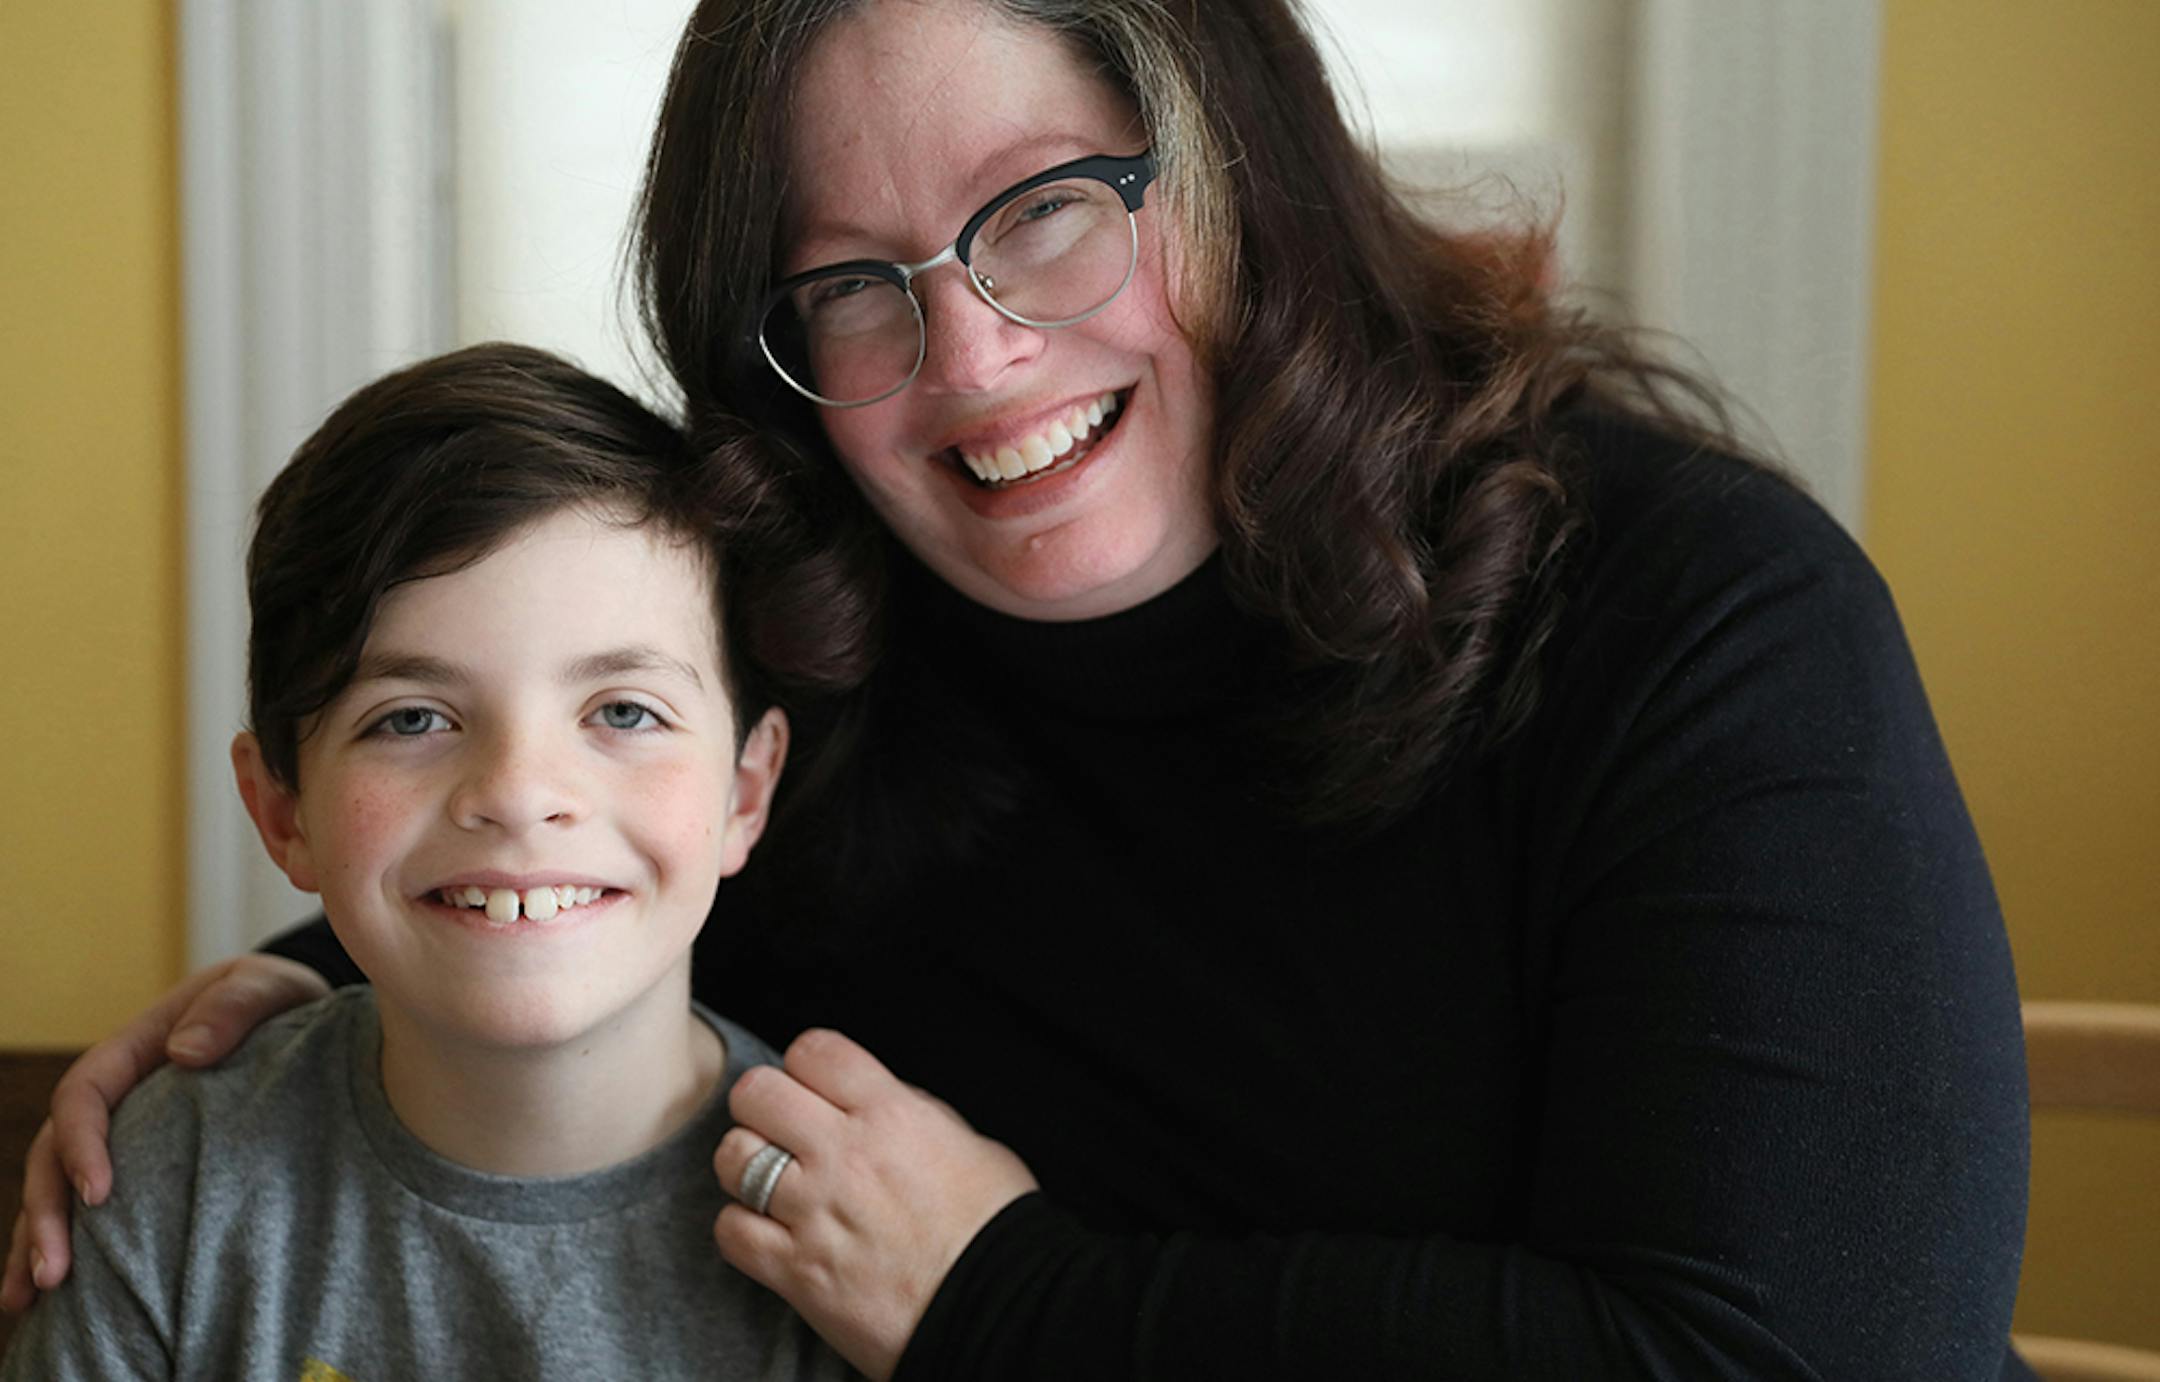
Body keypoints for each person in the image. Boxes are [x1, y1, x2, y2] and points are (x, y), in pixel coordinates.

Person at [9, 2, 2035, 1378]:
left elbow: (1799, 1354)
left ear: (1242, 168)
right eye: (853, 285)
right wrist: (282, 1006)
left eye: (1051, 210)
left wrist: (1009, 1298)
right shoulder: (850, 668)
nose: (972, 361)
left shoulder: (1695, 617)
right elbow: (564, 843)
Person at [0, 344, 855, 1380]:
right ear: (282, 810)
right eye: (413, 716)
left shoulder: (834, 1228)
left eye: (624, 710)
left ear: (745, 792)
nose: (517, 788)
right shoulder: (174, 1178)